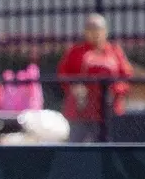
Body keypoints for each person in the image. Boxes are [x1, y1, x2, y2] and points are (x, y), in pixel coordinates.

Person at [58, 14, 136, 142]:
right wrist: (74, 87)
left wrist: (116, 90)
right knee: (76, 149)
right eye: (90, 29)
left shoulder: (114, 51)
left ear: (105, 31)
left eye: (98, 29)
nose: (94, 33)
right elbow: (63, 74)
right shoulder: (76, 52)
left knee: (109, 148)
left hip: (109, 110)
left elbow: (126, 76)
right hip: (81, 111)